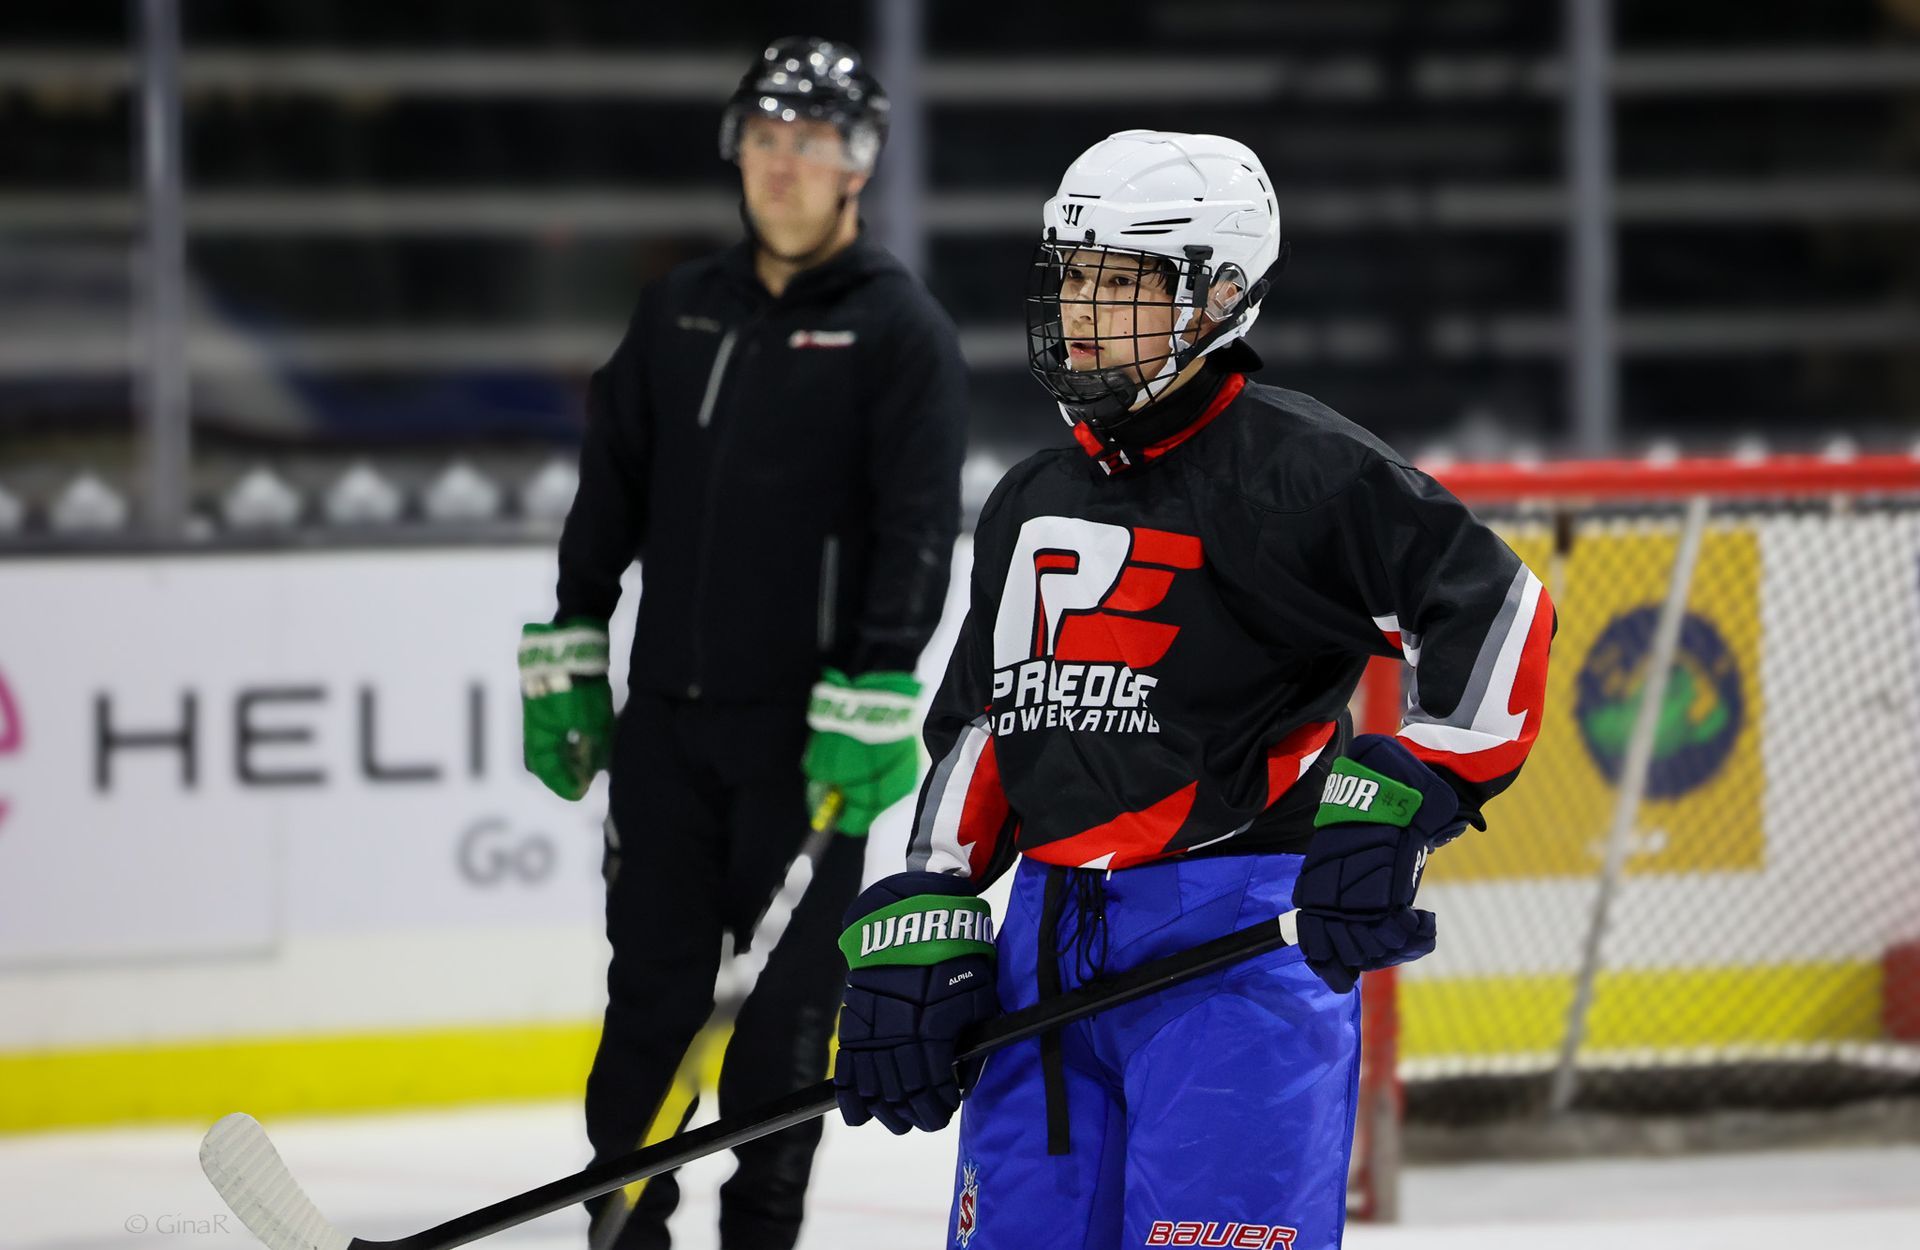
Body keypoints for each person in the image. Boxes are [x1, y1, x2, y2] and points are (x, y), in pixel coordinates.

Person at [830, 131, 1555, 1250]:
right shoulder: (1029, 496)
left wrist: (1417, 778)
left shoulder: (1302, 469)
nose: (1082, 305)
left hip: (1234, 953)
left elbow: (1500, 608)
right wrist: (925, 892)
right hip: (1045, 947)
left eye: (1122, 280)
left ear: (1221, 292)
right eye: (1074, 274)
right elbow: (986, 719)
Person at [516, 36, 967, 1250]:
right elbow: (607, 494)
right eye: (765, 139)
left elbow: (918, 531)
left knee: (777, 1028)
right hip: (668, 726)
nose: (783, 165)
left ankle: (760, 1232)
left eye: (810, 142)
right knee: (652, 1007)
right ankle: (627, 1232)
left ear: (856, 165)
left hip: (809, 739)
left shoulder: (899, 332)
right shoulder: (680, 311)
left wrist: (877, 682)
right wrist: (573, 635)